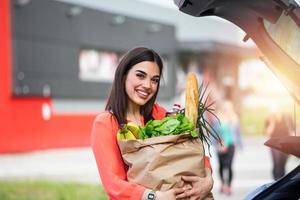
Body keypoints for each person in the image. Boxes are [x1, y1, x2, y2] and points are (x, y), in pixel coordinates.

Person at [91, 47, 214, 200]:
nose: (148, 85)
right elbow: (113, 184)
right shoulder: (106, 123)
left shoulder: (159, 114)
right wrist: (154, 196)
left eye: (154, 80)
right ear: (123, 76)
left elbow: (189, 149)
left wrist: (208, 180)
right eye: (140, 76)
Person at [214, 99, 242, 195]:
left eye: (229, 107)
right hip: (220, 145)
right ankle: (222, 183)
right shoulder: (218, 118)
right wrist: (217, 143)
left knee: (229, 165)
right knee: (221, 166)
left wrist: (240, 144)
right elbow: (214, 132)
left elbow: (238, 133)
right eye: (226, 107)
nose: (227, 109)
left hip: (231, 145)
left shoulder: (234, 118)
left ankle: (229, 186)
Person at [265, 107, 293, 180]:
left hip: (286, 144)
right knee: (276, 164)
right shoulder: (270, 118)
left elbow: (292, 130)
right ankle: (275, 182)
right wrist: (272, 122)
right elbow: (268, 133)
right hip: (274, 144)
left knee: (282, 165)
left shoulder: (287, 117)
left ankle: (281, 181)